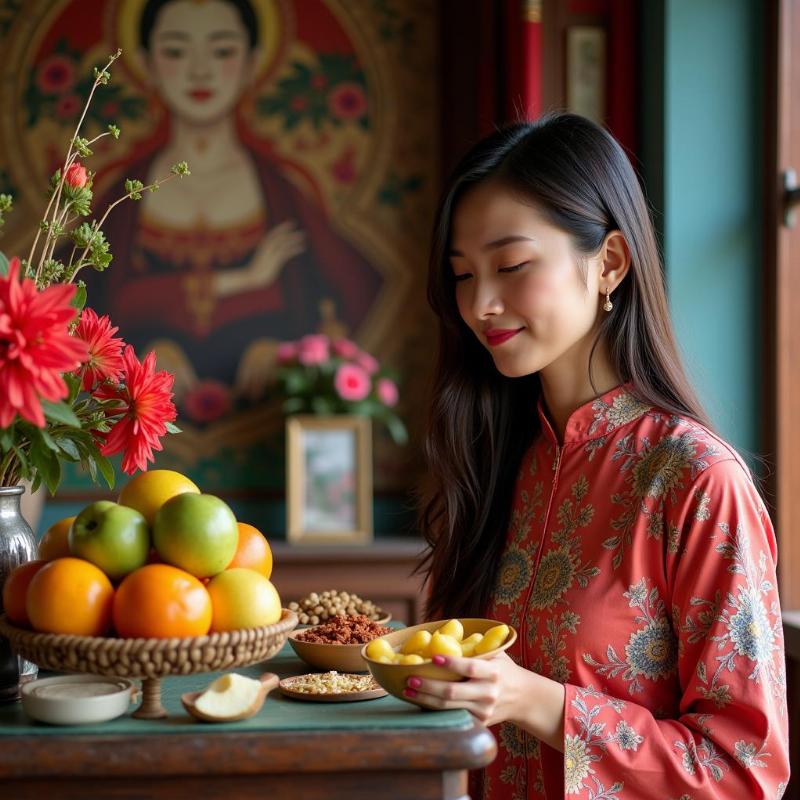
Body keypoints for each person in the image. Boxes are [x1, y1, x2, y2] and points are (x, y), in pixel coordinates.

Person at [412, 113, 789, 798]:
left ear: (609, 262)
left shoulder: (697, 481)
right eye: (463, 275)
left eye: (513, 265)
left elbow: (744, 770)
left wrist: (542, 704)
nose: (481, 304)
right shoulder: (498, 459)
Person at [89, 0, 381, 415]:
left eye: (222, 50)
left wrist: (280, 352)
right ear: (145, 63)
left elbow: (342, 290)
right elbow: (93, 302)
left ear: (253, 62)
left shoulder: (281, 192)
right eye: (175, 50)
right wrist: (148, 351)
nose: (200, 70)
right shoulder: (122, 198)